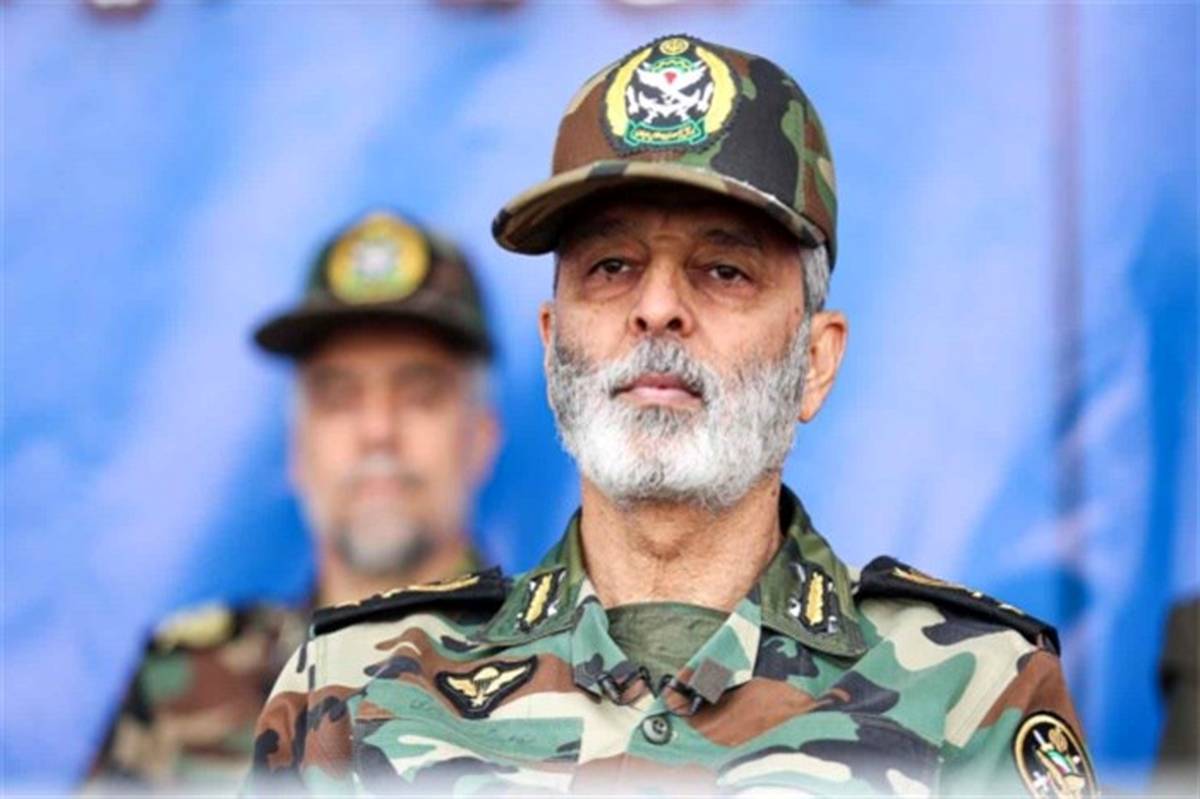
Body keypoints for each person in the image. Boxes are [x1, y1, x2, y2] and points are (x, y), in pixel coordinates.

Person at [246, 37, 1098, 796]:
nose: (656, 308)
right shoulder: (351, 689)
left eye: (724, 270)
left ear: (815, 360)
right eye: (611, 266)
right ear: (552, 347)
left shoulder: (975, 691)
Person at [90, 210, 500, 788]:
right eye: (337, 398)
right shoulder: (185, 685)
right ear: (297, 450)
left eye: (419, 394)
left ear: (480, 439)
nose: (377, 431)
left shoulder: (570, 671)